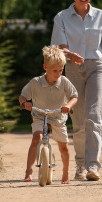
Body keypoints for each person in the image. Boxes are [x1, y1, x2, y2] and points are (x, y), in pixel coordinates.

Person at [51, 0, 102, 181]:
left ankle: (93, 166)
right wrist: (70, 55)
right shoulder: (61, 17)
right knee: (79, 120)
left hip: (97, 67)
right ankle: (80, 166)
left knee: (94, 116)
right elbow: (59, 47)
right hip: (72, 68)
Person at [19, 45, 78, 184]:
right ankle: (29, 171)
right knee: (36, 138)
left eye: (61, 70)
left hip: (58, 117)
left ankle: (65, 173)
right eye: (55, 71)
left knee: (64, 147)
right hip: (40, 115)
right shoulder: (35, 82)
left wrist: (68, 106)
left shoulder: (64, 81)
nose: (58, 73)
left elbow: (74, 96)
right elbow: (22, 96)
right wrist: (24, 104)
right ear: (45, 67)